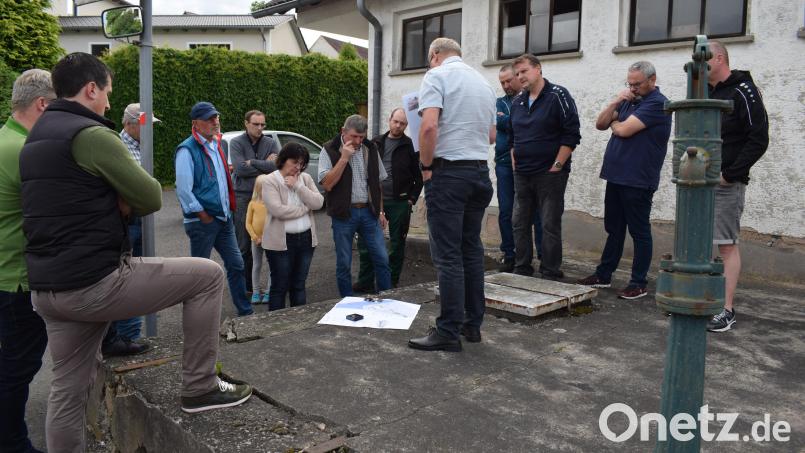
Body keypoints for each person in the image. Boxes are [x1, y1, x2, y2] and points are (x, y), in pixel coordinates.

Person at [19, 52, 251, 453]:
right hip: (94, 281)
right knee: (207, 276)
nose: (108, 103)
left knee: (67, 390)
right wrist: (120, 200)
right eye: (106, 92)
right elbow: (148, 196)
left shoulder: (36, 136)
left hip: (48, 289)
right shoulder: (90, 134)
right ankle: (200, 387)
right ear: (90, 89)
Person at [408, 37, 496, 352]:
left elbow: (428, 127)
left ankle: (447, 331)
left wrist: (426, 166)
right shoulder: (484, 84)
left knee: (447, 255)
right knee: (470, 250)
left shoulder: (437, 76)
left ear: (434, 55)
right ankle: (472, 327)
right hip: (478, 174)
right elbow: (491, 135)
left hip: (449, 174)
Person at [576, 61, 672, 299]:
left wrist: (615, 123)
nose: (633, 88)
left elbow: (622, 130)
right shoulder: (630, 101)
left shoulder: (658, 104)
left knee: (639, 231)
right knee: (614, 229)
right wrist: (615, 102)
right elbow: (600, 124)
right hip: (616, 176)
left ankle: (638, 282)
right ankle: (604, 274)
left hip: (638, 179)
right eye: (629, 84)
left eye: (637, 84)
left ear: (652, 80)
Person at [0, 69, 53, 453]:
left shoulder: (4, 140)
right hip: (18, 278)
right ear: (42, 104)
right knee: (17, 370)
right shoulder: (23, 151)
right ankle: (13, 442)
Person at [706, 41, 769, 332]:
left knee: (726, 246)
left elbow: (758, 138)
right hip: (700, 182)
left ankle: (726, 309)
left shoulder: (744, 90)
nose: (698, 64)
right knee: (700, 243)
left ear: (719, 58)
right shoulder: (704, 91)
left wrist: (730, 174)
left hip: (725, 183)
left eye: (703, 57)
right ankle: (701, 301)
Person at [175, 101, 253, 316]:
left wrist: (226, 210)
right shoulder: (186, 149)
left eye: (216, 117)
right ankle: (197, 316)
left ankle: (245, 312)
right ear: (196, 123)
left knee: (236, 265)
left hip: (223, 218)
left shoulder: (216, 144)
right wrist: (202, 214)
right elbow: (183, 189)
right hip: (203, 222)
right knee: (199, 274)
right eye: (209, 119)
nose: (215, 122)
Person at [509, 54, 581, 280]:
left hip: (550, 174)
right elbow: (513, 137)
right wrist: (515, 163)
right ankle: (522, 268)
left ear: (538, 69)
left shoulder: (558, 95)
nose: (520, 76)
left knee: (549, 223)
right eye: (517, 73)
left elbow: (571, 134)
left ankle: (550, 271)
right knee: (519, 222)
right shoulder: (517, 102)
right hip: (522, 173)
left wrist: (557, 165)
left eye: (524, 71)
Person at [101, 102, 161, 357]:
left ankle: (128, 335)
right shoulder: (120, 146)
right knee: (126, 275)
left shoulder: (139, 147)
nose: (150, 131)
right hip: (127, 221)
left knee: (137, 273)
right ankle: (124, 337)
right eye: (146, 126)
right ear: (130, 124)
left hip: (137, 219)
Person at [318, 115, 391, 297]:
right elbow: (327, 184)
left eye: (361, 137)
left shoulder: (370, 147)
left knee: (382, 258)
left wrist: (381, 210)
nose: (358, 141)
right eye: (354, 136)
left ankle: (388, 299)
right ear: (343, 131)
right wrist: (343, 158)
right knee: (344, 262)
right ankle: (347, 302)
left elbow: (377, 183)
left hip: (369, 212)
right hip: (344, 214)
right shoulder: (329, 149)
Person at [354, 107, 422, 291]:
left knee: (396, 244)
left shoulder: (411, 146)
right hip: (374, 201)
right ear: (389, 119)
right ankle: (365, 281)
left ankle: (391, 283)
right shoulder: (375, 142)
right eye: (395, 121)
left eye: (402, 123)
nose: (398, 126)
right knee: (366, 242)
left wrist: (411, 199)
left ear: (406, 125)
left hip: (400, 201)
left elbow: (419, 176)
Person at [262, 143, 324, 309]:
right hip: (280, 243)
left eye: (302, 163)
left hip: (306, 239)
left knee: (299, 284)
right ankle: (275, 326)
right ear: (283, 159)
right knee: (280, 285)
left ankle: (299, 323)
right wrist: (305, 208)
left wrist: (298, 186)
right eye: (294, 162)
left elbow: (319, 202)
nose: (298, 167)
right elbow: (278, 211)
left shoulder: (304, 179)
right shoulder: (270, 181)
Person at [495, 64, 543, 273]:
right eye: (502, 83)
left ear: (518, 77)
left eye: (508, 81)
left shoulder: (532, 98)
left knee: (537, 212)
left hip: (531, 164)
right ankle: (510, 254)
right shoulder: (498, 102)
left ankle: (543, 256)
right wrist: (510, 121)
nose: (506, 85)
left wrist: (507, 119)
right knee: (506, 211)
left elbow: (528, 124)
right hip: (505, 164)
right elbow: (505, 123)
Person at [229, 110, 278, 296]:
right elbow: (240, 169)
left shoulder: (270, 142)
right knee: (243, 243)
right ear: (246, 124)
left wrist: (252, 163)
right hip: (243, 196)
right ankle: (247, 286)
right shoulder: (236, 142)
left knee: (271, 240)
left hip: (266, 196)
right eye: (256, 124)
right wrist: (263, 163)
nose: (259, 128)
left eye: (262, 125)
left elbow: (276, 167)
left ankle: (274, 285)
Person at [245, 176, 271, 305]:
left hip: (269, 239)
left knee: (272, 265)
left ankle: (268, 291)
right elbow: (248, 224)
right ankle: (256, 292)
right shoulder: (252, 204)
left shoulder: (272, 204)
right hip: (256, 241)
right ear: (258, 188)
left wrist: (267, 237)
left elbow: (273, 222)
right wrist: (255, 237)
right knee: (256, 265)